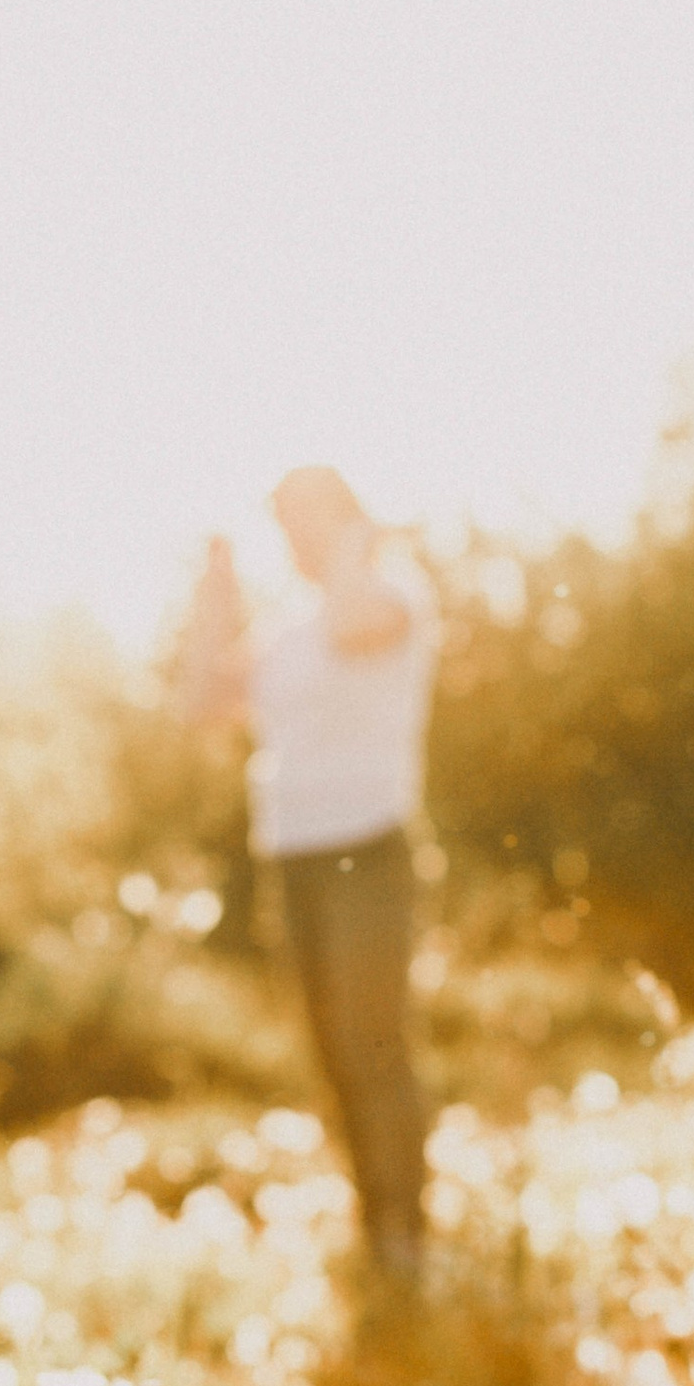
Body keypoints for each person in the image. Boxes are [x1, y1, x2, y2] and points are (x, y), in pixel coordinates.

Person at [182, 468, 438, 1282]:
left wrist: (355, 548)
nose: (288, 541)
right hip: (292, 856)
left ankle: (405, 1235)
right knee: (333, 1055)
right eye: (280, 526)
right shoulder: (290, 628)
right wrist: (216, 593)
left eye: (301, 522)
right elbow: (200, 702)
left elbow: (355, 626)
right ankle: (375, 1229)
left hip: (367, 847)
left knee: (375, 1044)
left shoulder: (392, 594)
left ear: (343, 518)